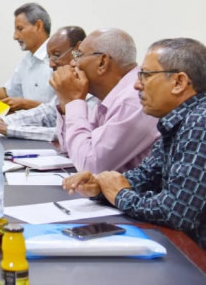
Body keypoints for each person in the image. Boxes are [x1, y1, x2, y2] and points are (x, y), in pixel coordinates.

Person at [63, 38, 206, 248]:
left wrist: (120, 195)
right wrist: (100, 185)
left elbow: (176, 212)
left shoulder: (200, 122)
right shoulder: (178, 119)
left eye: (146, 75)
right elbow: (147, 176)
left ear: (178, 82)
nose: (137, 85)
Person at [51, 28, 160, 172]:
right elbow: (72, 149)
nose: (72, 63)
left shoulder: (133, 99)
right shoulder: (109, 94)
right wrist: (67, 104)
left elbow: (90, 166)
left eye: (78, 55)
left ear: (102, 62)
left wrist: (73, 102)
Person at [0, 26, 98, 141]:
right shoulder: (68, 83)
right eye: (49, 58)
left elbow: (66, 133)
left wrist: (10, 129)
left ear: (77, 50)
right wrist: (3, 121)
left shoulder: (95, 92)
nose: (51, 64)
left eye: (57, 55)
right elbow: (47, 113)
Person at [0, 3, 55, 112]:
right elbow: (9, 92)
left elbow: (63, 110)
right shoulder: (27, 60)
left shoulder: (58, 59)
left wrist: (25, 104)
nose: (15, 36)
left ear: (38, 26)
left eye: (20, 29)